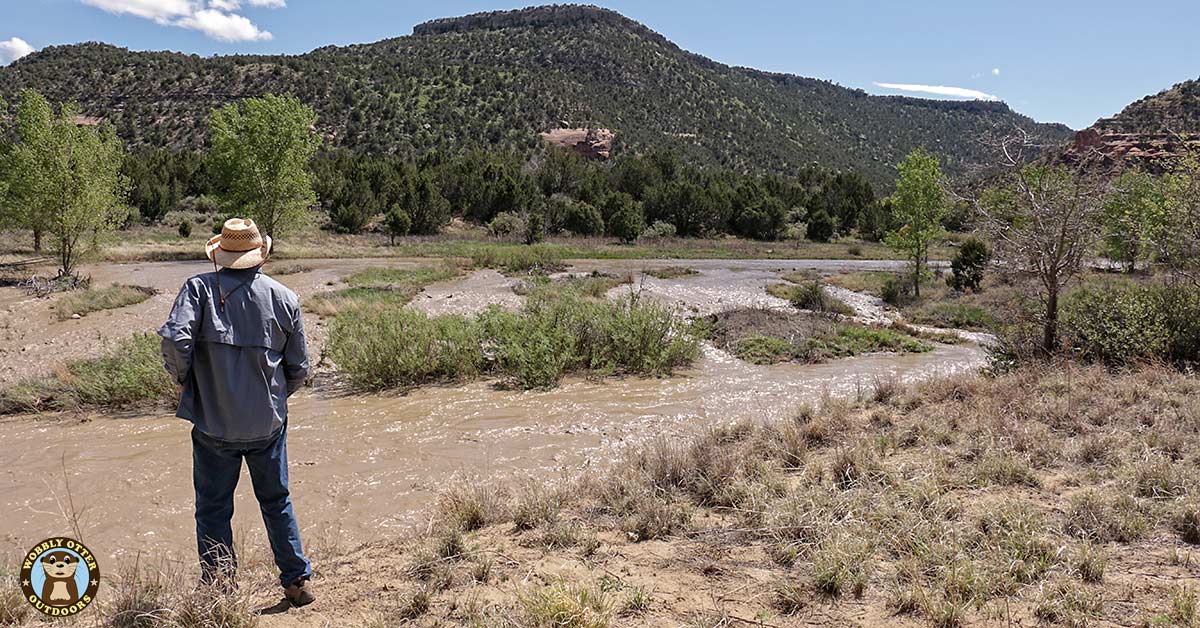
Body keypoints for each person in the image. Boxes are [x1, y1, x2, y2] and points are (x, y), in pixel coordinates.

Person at [158, 217, 315, 607]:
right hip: (267, 425)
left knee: (213, 508)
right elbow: (300, 369)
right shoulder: (284, 297)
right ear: (259, 255)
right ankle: (296, 583)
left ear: (221, 254)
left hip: (213, 425)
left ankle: (220, 591)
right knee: (276, 501)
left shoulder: (198, 289)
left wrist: (184, 382)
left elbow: (176, 341)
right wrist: (275, 399)